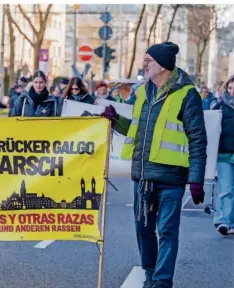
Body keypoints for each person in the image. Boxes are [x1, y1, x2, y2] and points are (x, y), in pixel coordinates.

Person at [102, 42, 207, 288]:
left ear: (163, 65)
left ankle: (161, 282)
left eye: (149, 60)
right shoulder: (143, 93)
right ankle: (151, 274)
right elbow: (138, 131)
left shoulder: (187, 94)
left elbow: (197, 139)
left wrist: (196, 180)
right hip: (143, 176)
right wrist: (116, 121)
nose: (145, 64)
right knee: (143, 230)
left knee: (167, 232)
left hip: (171, 178)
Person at [211, 75, 234, 236]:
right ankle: (223, 221)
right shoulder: (219, 107)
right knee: (225, 189)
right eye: (230, 88)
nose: (232, 91)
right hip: (224, 155)